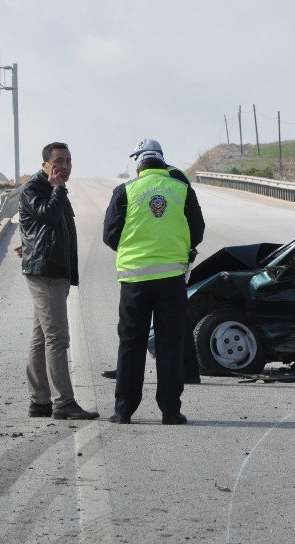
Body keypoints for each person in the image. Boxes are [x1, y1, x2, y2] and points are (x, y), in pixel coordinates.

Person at [103, 146, 205, 424]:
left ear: (139, 166)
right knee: (169, 345)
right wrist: (180, 249)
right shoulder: (182, 188)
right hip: (171, 279)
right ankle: (171, 411)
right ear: (163, 162)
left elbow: (110, 235)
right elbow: (198, 230)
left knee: (131, 344)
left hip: (134, 280)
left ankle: (123, 410)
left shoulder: (126, 190)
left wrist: (133, 250)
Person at [20, 142, 99, 421]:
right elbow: (48, 216)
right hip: (46, 272)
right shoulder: (36, 187)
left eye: (68, 161)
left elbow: (36, 226)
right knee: (57, 338)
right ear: (45, 164)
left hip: (53, 269)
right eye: (58, 162)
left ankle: (40, 400)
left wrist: (27, 243)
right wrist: (58, 189)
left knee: (42, 336)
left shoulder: (52, 189)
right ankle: (63, 402)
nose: (64, 167)